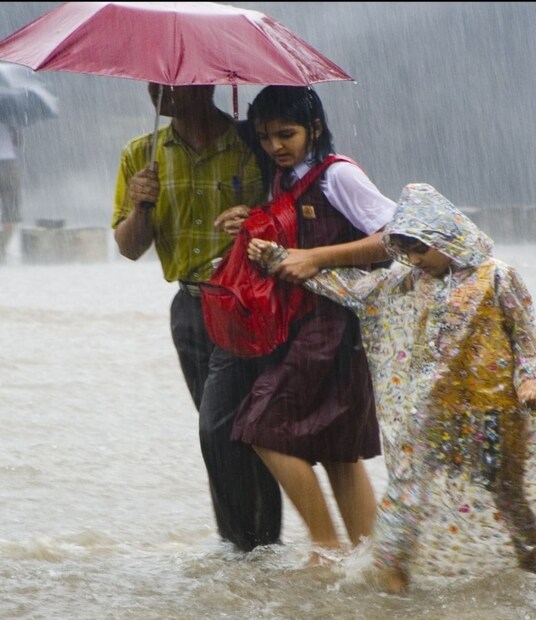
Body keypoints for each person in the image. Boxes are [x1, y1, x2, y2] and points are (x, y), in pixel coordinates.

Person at [249, 183, 536, 593]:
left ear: (445, 235)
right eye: (406, 251)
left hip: (493, 413)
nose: (415, 259)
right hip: (430, 412)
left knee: (509, 497)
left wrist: (531, 381)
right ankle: (394, 592)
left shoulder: (497, 276)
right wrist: (279, 258)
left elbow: (526, 340)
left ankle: (532, 576)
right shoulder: (407, 282)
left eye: (420, 249)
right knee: (405, 496)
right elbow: (349, 287)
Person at [213, 85, 396, 563]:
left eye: (286, 134)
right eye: (265, 136)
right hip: (302, 323)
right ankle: (374, 562)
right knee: (337, 451)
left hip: (335, 325)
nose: (275, 146)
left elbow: (397, 236)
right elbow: (288, 238)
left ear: (314, 129)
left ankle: (325, 548)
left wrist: (316, 258)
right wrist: (249, 222)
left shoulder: (339, 175)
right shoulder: (284, 177)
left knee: (259, 427)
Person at [111, 83, 283, 552]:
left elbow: (290, 216)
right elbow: (129, 247)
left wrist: (255, 220)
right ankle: (253, 547)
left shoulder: (254, 143)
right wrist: (141, 206)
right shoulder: (142, 154)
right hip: (189, 306)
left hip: (247, 302)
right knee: (224, 430)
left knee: (226, 428)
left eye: (170, 82)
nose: (156, 91)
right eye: (152, 82)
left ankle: (247, 546)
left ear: (205, 84)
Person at [0, 121, 22, 262]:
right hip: (9, 165)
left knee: (10, 211)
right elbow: (19, 143)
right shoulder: (12, 118)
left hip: (9, 165)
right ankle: (2, 246)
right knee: (10, 211)